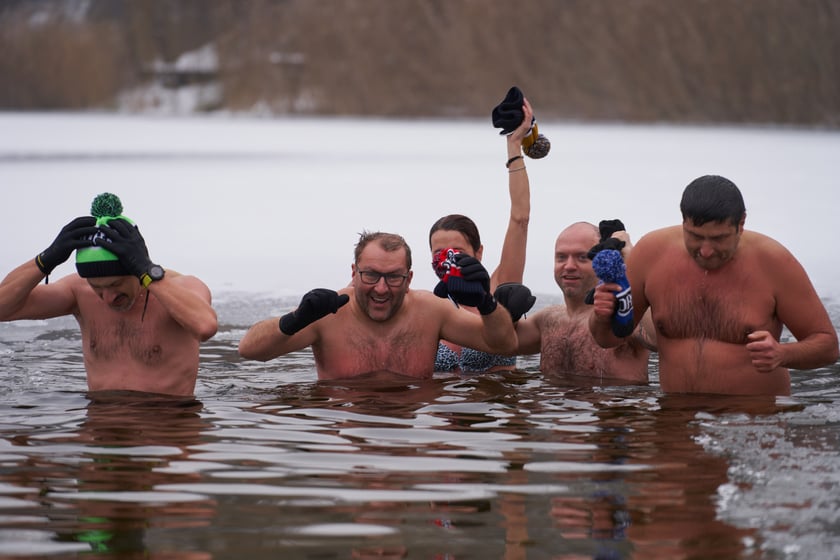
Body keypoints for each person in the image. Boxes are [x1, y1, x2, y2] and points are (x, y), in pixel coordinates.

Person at [589, 175, 839, 396]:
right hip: (674, 423)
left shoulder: (773, 262)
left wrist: (783, 353)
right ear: (683, 221)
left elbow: (827, 346)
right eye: (695, 237)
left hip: (752, 423)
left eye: (719, 239)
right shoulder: (652, 254)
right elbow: (608, 339)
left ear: (741, 224)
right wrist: (601, 316)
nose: (706, 251)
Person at [0, 193, 218, 397]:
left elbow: (205, 327)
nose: (107, 298)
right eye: (97, 287)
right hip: (101, 421)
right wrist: (45, 260)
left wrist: (147, 270)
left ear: (137, 272)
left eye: (116, 284)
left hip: (167, 424)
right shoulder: (78, 291)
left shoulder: (182, 287)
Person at [238, 231, 518, 379]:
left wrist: (485, 302)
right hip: (347, 426)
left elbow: (502, 344)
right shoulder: (328, 314)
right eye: (371, 275)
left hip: (412, 430)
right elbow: (249, 350)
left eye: (394, 277)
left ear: (409, 278)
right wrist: (294, 320)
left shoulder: (430, 311)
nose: (381, 288)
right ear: (353, 272)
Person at [428, 95, 536, 373]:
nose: (448, 259)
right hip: (446, 410)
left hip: (495, 409)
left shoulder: (501, 289)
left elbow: (520, 219)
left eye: (457, 252)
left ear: (478, 253)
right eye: (440, 254)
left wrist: (514, 147)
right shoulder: (427, 307)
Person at [513, 221, 656, 383]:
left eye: (582, 257)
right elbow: (501, 344)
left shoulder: (625, 314)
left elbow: (659, 338)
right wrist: (504, 311)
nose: (569, 266)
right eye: (561, 257)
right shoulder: (547, 320)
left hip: (615, 406)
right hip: (551, 405)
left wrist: (630, 258)